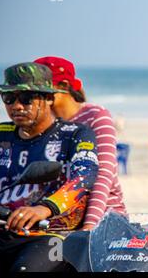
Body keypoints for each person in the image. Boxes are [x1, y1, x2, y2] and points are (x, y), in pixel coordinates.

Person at [0, 62, 98, 272]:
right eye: (9, 98)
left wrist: (45, 208)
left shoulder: (75, 134)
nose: (16, 106)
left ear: (49, 98)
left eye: (26, 99)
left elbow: (85, 176)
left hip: (52, 236)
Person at [34, 56, 127, 230]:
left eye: (44, 88)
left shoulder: (95, 116)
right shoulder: (44, 124)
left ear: (64, 86)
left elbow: (103, 173)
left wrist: (89, 226)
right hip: (59, 220)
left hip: (104, 218)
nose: (38, 95)